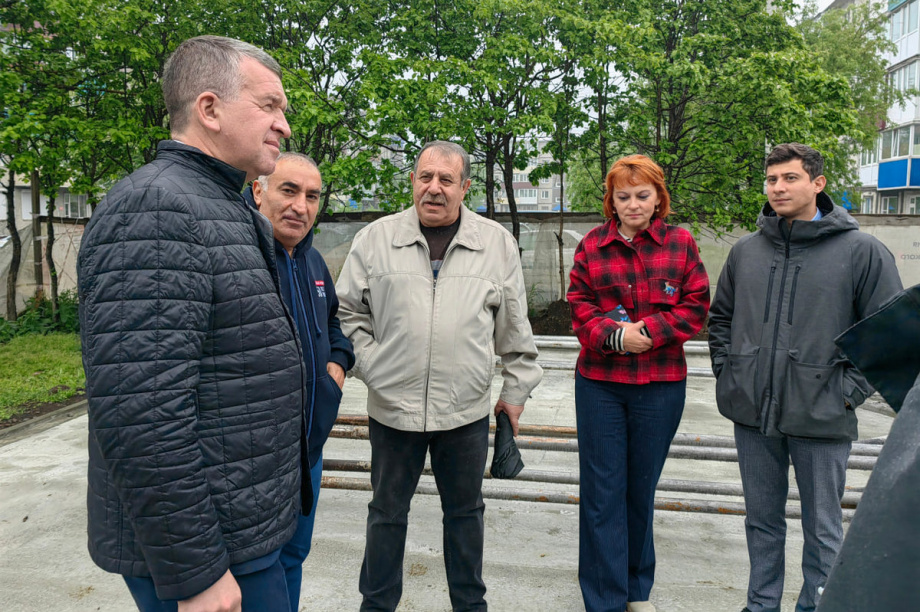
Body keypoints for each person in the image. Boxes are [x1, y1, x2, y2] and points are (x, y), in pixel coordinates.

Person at [78, 36, 306, 612]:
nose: (283, 125)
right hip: (208, 554)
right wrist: (197, 573)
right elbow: (142, 411)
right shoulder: (155, 207)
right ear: (209, 108)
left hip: (242, 527)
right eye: (269, 106)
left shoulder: (220, 204)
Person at [336, 140, 543, 612]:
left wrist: (515, 391)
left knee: (466, 515)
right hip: (393, 410)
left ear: (464, 187)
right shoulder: (375, 239)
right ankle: (376, 606)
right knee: (386, 513)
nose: (434, 188)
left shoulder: (496, 243)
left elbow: (514, 328)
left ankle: (470, 606)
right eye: (425, 177)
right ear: (412, 181)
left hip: (464, 412)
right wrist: (373, 365)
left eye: (446, 180)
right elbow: (346, 314)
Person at [708, 143, 902, 612]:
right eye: (772, 179)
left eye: (790, 178)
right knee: (761, 521)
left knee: (823, 527)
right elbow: (720, 320)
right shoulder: (746, 251)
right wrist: (731, 373)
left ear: (818, 183)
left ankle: (817, 606)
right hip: (752, 413)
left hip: (822, 414)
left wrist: (846, 394)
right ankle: (761, 605)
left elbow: (888, 334)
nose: (778, 188)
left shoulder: (861, 252)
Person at [567, 154, 710, 612]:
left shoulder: (680, 244)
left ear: (658, 199)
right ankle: (604, 599)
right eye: (623, 196)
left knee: (640, 488)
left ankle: (636, 589)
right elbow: (579, 305)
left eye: (642, 195)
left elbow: (696, 305)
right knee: (602, 491)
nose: (633, 204)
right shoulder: (592, 245)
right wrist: (615, 337)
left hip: (660, 382)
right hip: (601, 384)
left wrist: (646, 332)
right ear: (611, 201)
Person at [245, 153, 355, 611]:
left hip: (307, 449)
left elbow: (332, 323)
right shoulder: (242, 258)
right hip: (257, 459)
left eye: (311, 196)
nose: (301, 206)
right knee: (259, 568)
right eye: (288, 190)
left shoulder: (311, 261)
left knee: (294, 555)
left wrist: (339, 364)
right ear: (258, 191)